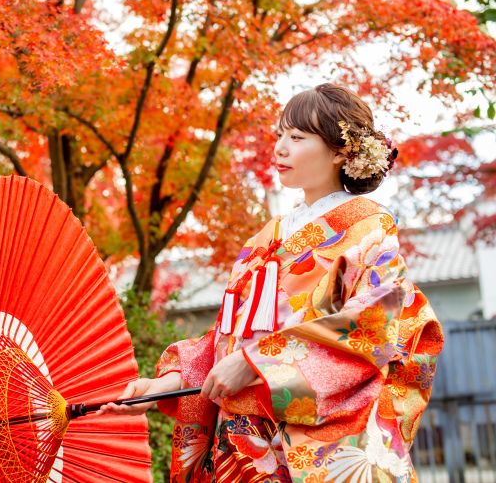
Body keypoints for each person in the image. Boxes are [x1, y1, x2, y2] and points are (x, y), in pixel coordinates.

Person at [97, 84, 444, 483]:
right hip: (237, 440)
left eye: (296, 138)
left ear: (339, 152)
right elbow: (227, 337)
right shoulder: (267, 237)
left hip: (300, 442)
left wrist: (255, 363)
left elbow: (371, 327)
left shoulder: (369, 228)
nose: (279, 148)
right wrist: (166, 383)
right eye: (280, 135)